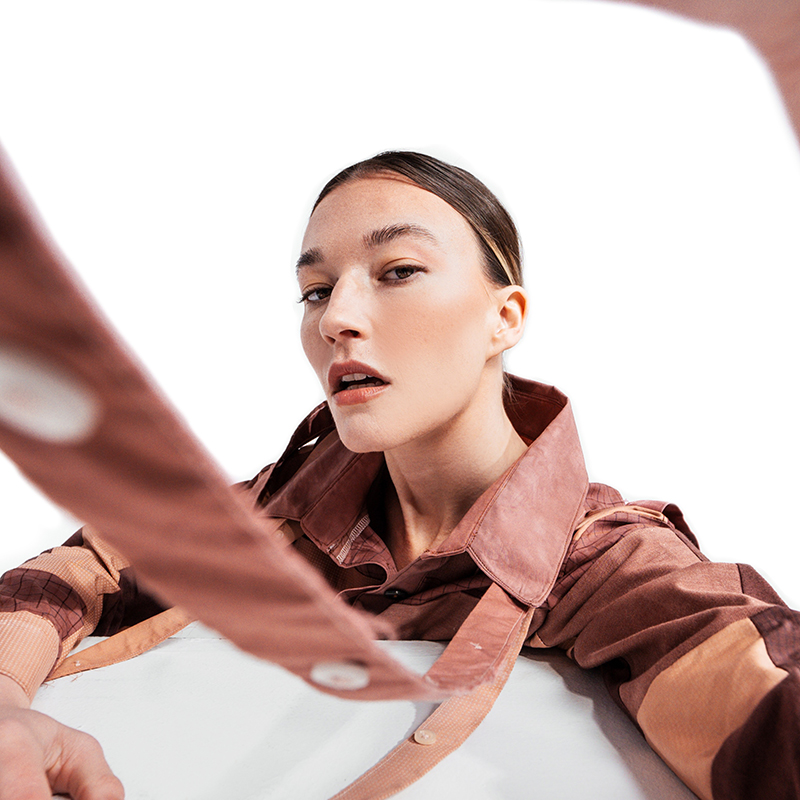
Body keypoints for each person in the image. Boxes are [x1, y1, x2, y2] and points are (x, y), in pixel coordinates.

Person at [0, 2, 798, 799]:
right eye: (315, 290)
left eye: (399, 271)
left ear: (504, 317)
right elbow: (80, 568)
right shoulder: (275, 515)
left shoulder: (602, 560)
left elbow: (761, 703)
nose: (337, 318)